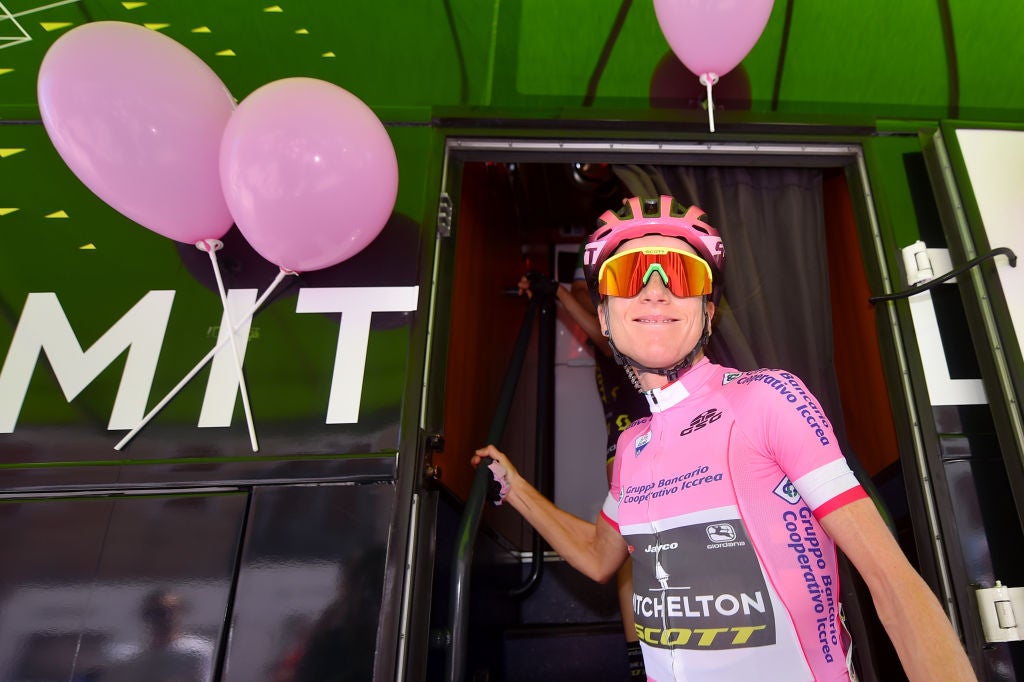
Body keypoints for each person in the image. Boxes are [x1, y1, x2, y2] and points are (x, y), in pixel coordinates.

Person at [476, 195, 977, 681]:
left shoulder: (766, 398)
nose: (655, 290)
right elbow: (597, 555)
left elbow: (893, 582)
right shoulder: (632, 448)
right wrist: (515, 486)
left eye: (681, 276)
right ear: (603, 318)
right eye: (629, 276)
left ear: (709, 313)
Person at [520, 240, 651, 679]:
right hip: (627, 428)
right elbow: (595, 325)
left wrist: (556, 292)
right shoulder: (598, 302)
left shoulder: (645, 312)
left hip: (660, 421)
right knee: (628, 546)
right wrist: (559, 290)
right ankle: (639, 661)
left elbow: (610, 339)